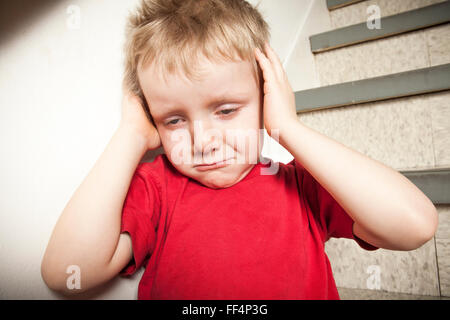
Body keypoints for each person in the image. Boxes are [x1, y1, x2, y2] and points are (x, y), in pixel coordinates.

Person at [41, 0, 438, 299]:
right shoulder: (158, 187)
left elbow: (415, 225)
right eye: (173, 120)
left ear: (266, 98)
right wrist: (129, 134)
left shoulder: (302, 185)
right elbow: (67, 272)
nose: (202, 140)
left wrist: (288, 129)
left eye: (226, 110)